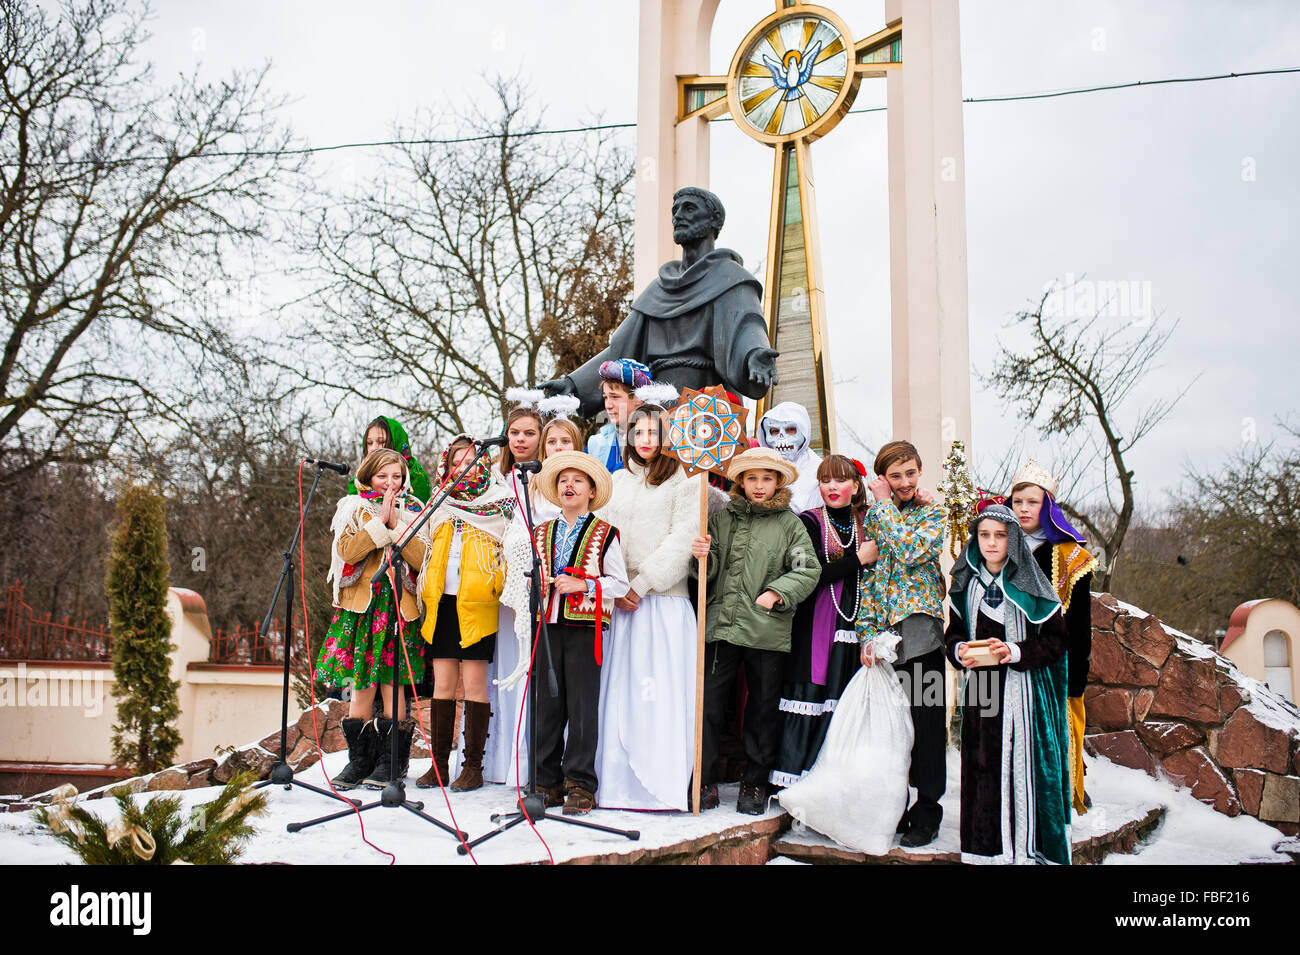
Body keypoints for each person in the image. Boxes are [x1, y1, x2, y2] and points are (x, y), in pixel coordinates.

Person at [540, 187, 779, 414]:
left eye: (689, 209)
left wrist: (753, 354)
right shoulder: (659, 289)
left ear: (714, 221)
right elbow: (621, 350)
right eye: (675, 211)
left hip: (707, 407)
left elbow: (748, 324)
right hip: (654, 412)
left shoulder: (730, 279)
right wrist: (574, 383)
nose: (678, 216)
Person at [691, 447, 820, 814]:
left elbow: (806, 568)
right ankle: (704, 779)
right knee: (710, 705)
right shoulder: (721, 519)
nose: (759, 486)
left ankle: (755, 781)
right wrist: (702, 557)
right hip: (720, 626)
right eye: (751, 478)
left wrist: (778, 592)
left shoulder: (789, 524)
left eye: (766, 478)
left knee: (762, 708)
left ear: (778, 481)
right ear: (740, 482)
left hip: (766, 628)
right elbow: (707, 572)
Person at [595, 384, 702, 810]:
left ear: (667, 438)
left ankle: (659, 786)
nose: (644, 441)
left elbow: (681, 540)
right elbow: (599, 535)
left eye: (653, 433)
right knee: (619, 696)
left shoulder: (684, 481)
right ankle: (616, 785)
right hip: (618, 603)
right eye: (637, 433)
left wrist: (640, 586)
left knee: (654, 696)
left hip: (660, 603)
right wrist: (614, 585)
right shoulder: (616, 482)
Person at [945, 503, 1071, 865]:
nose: (991, 543)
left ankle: (1026, 850)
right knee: (981, 765)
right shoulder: (966, 583)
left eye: (1000, 535)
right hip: (982, 691)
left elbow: (1056, 642)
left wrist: (1014, 650)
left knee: (1021, 768)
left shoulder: (1032, 586)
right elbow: (952, 635)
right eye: (984, 535)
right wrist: (959, 651)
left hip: (1023, 693)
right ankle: (986, 852)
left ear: (1013, 539)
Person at [320, 448, 431, 789]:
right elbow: (348, 552)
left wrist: (397, 525)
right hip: (363, 609)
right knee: (362, 684)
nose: (390, 483)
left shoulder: (414, 510)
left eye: (396, 476)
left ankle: (391, 761)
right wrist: (378, 524)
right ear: (368, 477)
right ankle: (360, 760)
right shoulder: (352, 508)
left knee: (393, 683)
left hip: (398, 608)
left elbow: (422, 557)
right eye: (383, 476)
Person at [531, 450, 630, 814]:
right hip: (547, 625)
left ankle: (581, 785)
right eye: (562, 480)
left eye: (577, 480)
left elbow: (620, 584)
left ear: (591, 491)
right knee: (547, 707)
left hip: (586, 628)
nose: (568, 485)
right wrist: (537, 583)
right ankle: (545, 781)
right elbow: (527, 577)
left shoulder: (605, 533)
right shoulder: (540, 532)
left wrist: (584, 586)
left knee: (582, 707)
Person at [770, 455, 877, 789]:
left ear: (856, 486)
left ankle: (838, 785)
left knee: (846, 697)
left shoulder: (870, 520)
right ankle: (796, 780)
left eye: (841, 480)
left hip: (859, 622)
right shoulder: (808, 522)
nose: (832, 486)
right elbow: (808, 574)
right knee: (812, 691)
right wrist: (858, 559)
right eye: (825, 480)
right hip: (815, 622)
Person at [862, 440, 949, 847]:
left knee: (927, 724)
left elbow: (909, 550)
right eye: (895, 476)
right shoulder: (876, 516)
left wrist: (881, 507)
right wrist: (867, 634)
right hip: (885, 635)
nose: (905, 482)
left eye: (911, 473)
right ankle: (894, 805)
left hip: (920, 635)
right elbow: (872, 577)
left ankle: (928, 810)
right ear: (884, 478)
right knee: (892, 729)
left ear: (920, 470)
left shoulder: (933, 511)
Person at [416, 435, 515, 792]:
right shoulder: (439, 504)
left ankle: (473, 766)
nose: (465, 466)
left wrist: (496, 581)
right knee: (442, 684)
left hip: (478, 602)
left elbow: (511, 549)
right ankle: (438, 764)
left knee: (474, 684)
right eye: (458, 460)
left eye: (472, 459)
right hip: (442, 603)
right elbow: (423, 548)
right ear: (448, 464)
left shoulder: (500, 503)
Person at [1008, 460, 1099, 815]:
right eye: (1018, 502)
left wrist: (1077, 676)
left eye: (1032, 501)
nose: (1024, 509)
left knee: (1054, 735)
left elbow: (1080, 624)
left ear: (1047, 505)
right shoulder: (1001, 546)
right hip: (1011, 657)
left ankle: (1061, 795)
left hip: (1054, 663)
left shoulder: (1070, 556)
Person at [756, 401, 823, 515]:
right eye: (774, 431)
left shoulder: (819, 469)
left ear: (803, 431)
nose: (782, 438)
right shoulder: (759, 468)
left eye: (790, 430)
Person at [347, 415, 433, 503]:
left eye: (381, 442)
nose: (373, 448)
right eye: (369, 443)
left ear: (396, 443)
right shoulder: (359, 480)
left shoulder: (416, 478)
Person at [584, 359, 650, 474]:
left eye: (615, 397)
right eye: (605, 397)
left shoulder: (659, 442)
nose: (608, 405)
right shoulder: (595, 445)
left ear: (639, 398)